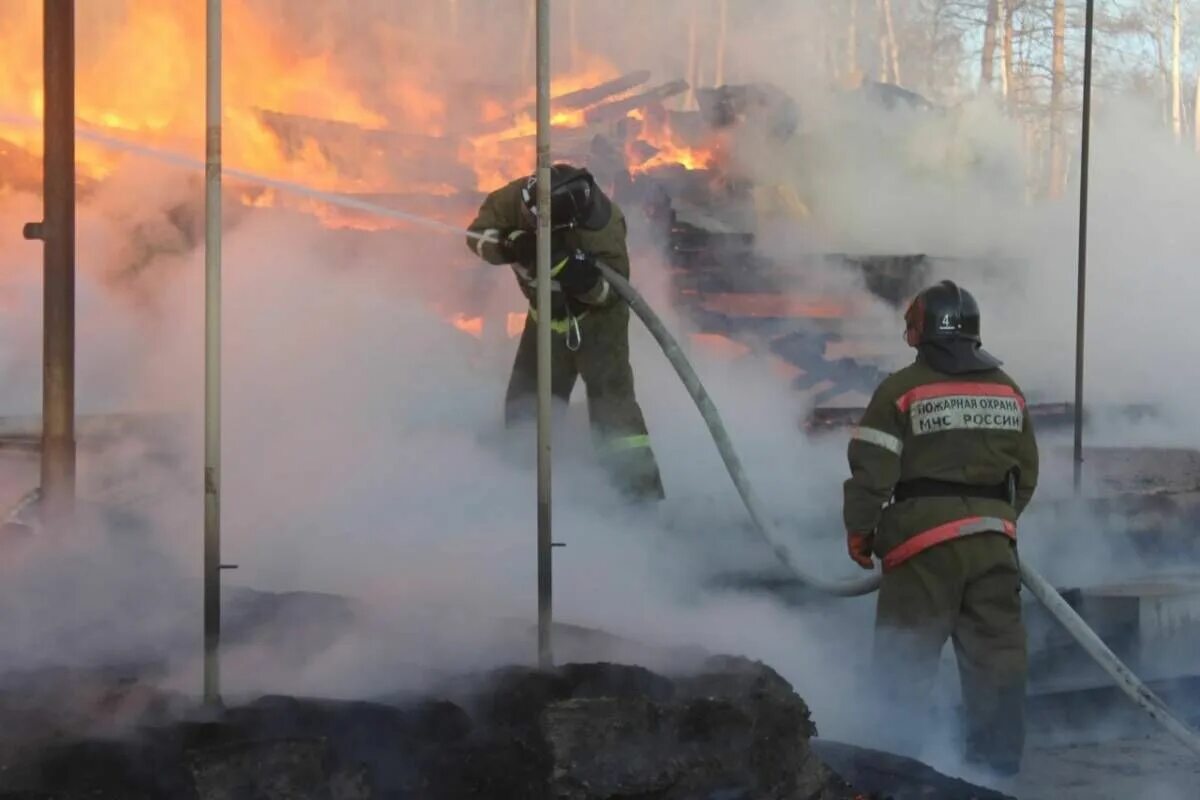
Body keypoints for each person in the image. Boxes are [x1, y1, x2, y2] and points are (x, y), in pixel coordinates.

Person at [842, 279, 1039, 776]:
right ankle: (994, 777)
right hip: (994, 546)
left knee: (902, 667)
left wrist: (862, 532)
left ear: (917, 335)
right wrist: (994, 523)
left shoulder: (901, 390)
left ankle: (893, 772)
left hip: (920, 548)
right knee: (998, 665)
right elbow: (1027, 475)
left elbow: (872, 470)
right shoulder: (1006, 389)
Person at [465, 164, 664, 501]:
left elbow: (607, 295)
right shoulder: (519, 196)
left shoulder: (603, 228)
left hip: (597, 325)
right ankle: (519, 479)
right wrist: (510, 244)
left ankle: (636, 494)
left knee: (612, 408)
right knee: (527, 401)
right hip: (544, 317)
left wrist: (574, 273)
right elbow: (477, 235)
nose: (528, 220)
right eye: (529, 217)